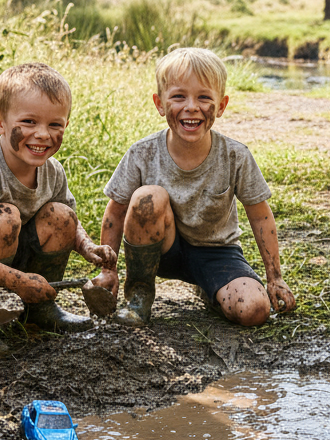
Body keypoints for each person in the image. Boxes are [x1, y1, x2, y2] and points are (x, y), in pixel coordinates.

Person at [91, 47, 295, 326]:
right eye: (178, 96)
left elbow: (260, 215)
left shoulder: (235, 156)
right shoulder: (142, 154)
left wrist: (275, 278)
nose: (191, 107)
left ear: (221, 106)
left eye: (203, 97)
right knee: (148, 197)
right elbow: (115, 213)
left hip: (217, 253)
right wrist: (108, 270)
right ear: (159, 104)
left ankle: (210, 289)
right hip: (161, 250)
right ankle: (139, 293)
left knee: (255, 311)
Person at [0, 63, 115, 357]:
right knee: (4, 218)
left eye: (55, 125)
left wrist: (87, 246)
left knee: (62, 216)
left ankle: (38, 308)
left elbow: (71, 222)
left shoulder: (52, 171)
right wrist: (18, 281)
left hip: (15, 260)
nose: (42, 134)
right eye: (28, 122)